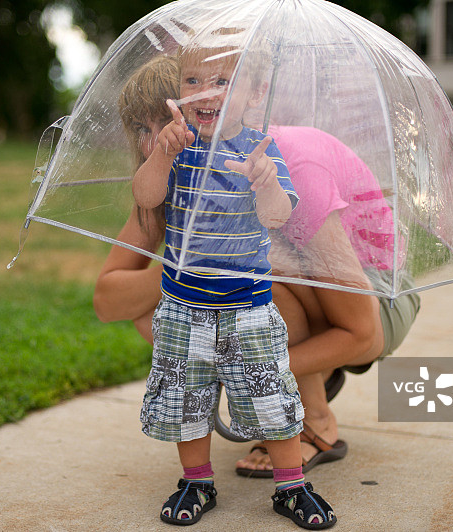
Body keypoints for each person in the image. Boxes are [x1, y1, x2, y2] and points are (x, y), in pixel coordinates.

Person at [129, 31, 337, 529]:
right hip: (183, 306)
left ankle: (291, 485)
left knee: (271, 396)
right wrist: (161, 156)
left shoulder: (261, 151)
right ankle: (196, 480)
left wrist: (265, 182)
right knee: (186, 399)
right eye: (193, 80)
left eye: (223, 82)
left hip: (247, 307)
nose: (205, 92)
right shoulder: (177, 144)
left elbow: (277, 216)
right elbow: (146, 196)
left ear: (255, 93)